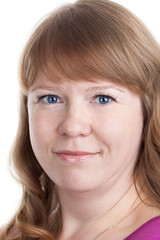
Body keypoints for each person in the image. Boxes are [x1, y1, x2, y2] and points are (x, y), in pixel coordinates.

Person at [1, 0, 160, 239]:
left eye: (103, 99)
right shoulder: (16, 233)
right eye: (51, 98)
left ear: (148, 112)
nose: (73, 126)